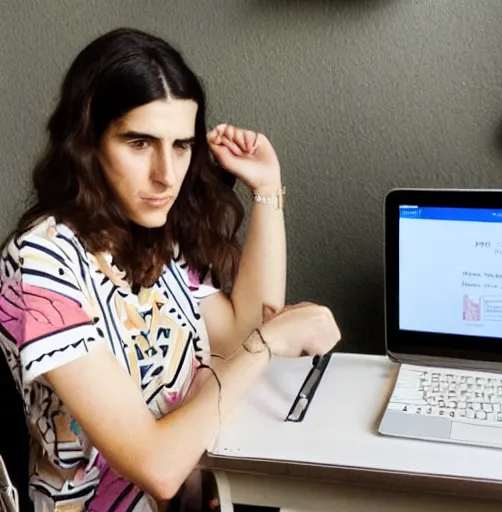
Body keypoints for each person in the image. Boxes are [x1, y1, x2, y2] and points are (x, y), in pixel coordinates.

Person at [0, 28, 341, 511]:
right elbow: (157, 467)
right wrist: (269, 343)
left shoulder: (157, 237)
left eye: (181, 145)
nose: (166, 174)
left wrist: (267, 187)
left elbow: (241, 335)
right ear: (87, 143)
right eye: (139, 143)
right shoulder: (39, 266)